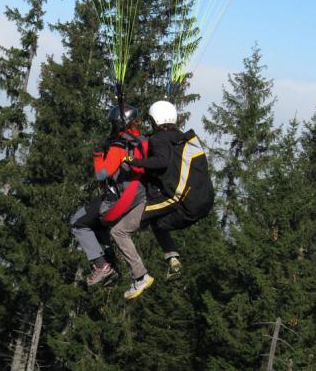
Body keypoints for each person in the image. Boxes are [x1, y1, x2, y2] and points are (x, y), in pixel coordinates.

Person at [69, 104, 155, 300]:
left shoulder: (118, 146)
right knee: (98, 227)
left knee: (77, 222)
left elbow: (101, 174)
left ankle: (102, 265)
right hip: (137, 196)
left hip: (115, 200)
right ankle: (111, 265)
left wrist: (98, 155)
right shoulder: (141, 141)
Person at [125, 100, 214, 280]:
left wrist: (134, 161)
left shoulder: (158, 139)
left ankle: (141, 270)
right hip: (204, 201)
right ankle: (172, 259)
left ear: (155, 120)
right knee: (158, 223)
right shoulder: (180, 138)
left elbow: (161, 161)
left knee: (137, 218)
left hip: (183, 202)